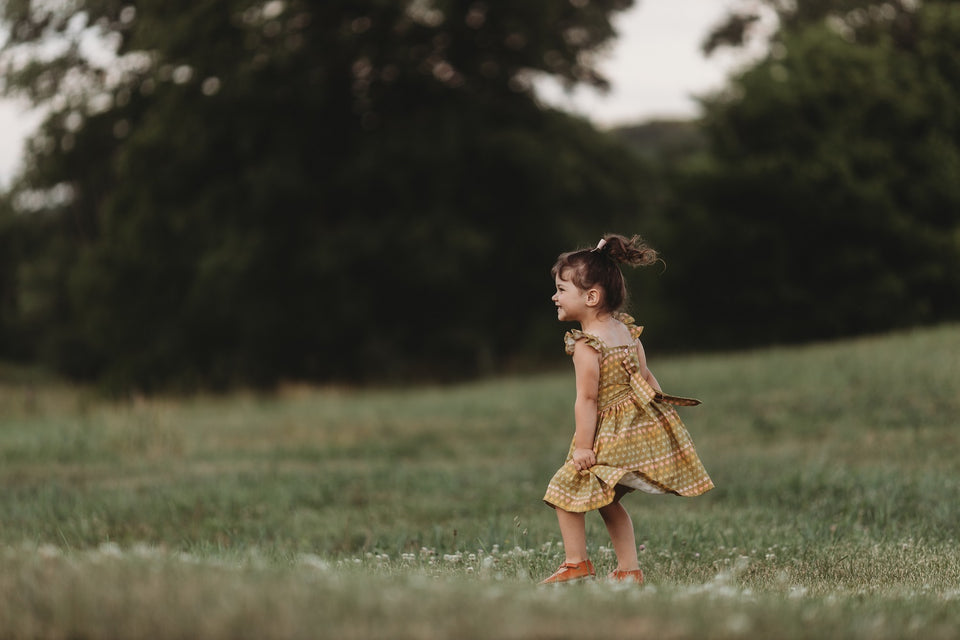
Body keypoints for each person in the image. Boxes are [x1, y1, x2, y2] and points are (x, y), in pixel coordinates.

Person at [540, 234, 714, 585]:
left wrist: (585, 447)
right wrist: (663, 421)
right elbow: (647, 376)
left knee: (562, 491)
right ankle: (629, 571)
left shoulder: (587, 345)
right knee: (607, 501)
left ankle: (577, 563)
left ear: (591, 297)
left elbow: (587, 400)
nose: (554, 296)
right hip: (634, 434)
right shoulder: (627, 332)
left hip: (606, 437)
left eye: (561, 289)